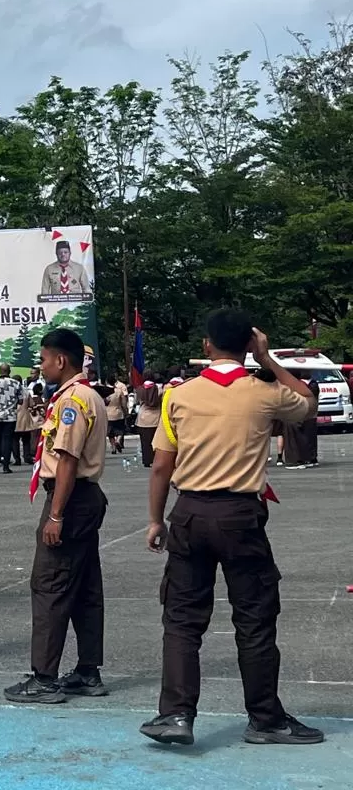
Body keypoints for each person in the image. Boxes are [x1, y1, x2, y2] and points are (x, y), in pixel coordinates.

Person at [141, 313, 323, 747]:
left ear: (206, 345)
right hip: (241, 515)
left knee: (183, 621)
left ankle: (176, 714)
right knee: (255, 619)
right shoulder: (262, 391)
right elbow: (308, 403)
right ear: (248, 344)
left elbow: (162, 465)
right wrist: (269, 359)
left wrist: (154, 519)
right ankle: (265, 719)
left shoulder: (180, 397)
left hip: (189, 512)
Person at [5, 329, 109, 704]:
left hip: (70, 498)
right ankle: (87, 670)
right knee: (84, 588)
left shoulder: (72, 402)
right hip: (85, 497)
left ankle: (44, 677)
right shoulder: (87, 396)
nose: (41, 366)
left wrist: (56, 515)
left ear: (60, 360)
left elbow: (66, 459)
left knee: (50, 585)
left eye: (44, 359)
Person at [0, 364, 21, 474]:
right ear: (9, 371)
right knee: (7, 440)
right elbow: (21, 400)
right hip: (11, 416)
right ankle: (6, 466)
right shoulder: (16, 383)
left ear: (0, 371)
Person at [281, 375, 320, 468]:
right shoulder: (310, 384)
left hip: (302, 412)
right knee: (301, 437)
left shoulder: (307, 383)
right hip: (302, 412)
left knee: (301, 437)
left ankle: (301, 459)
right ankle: (301, 459)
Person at [134, 371, 161, 468]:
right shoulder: (159, 389)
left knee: (145, 441)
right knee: (157, 440)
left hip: (143, 417)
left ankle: (147, 460)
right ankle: (156, 459)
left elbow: (137, 402)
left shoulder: (139, 389)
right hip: (156, 417)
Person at [14, 378, 36, 466]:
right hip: (25, 419)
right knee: (26, 440)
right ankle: (27, 457)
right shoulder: (26, 392)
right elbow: (32, 404)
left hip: (15, 419)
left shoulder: (13, 391)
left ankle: (17, 459)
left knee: (15, 441)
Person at [106, 376, 129, 454]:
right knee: (120, 430)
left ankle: (113, 448)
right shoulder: (119, 391)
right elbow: (124, 403)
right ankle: (118, 440)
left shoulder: (104, 392)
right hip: (118, 413)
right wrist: (126, 412)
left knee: (110, 433)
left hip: (108, 414)